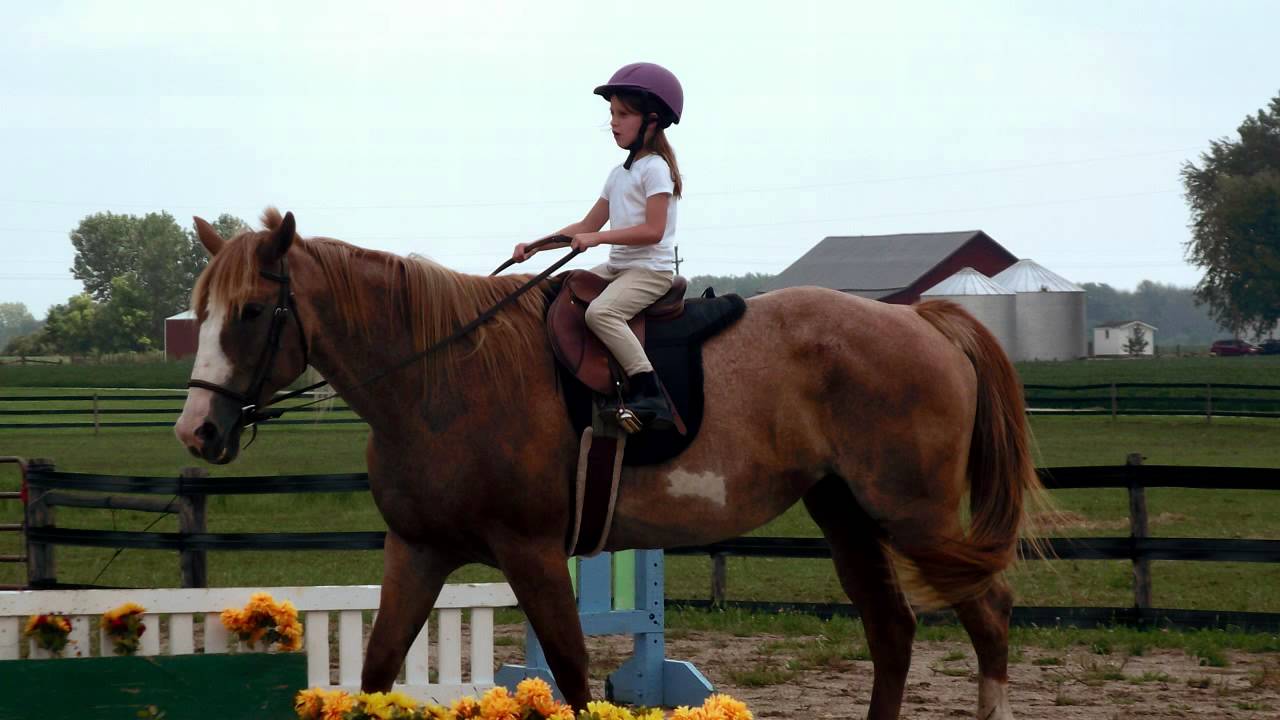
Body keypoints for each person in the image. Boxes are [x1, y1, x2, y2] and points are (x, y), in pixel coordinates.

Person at [512, 62, 684, 430]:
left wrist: (598, 239)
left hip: (650, 271)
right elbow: (587, 226)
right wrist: (536, 246)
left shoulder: (656, 169)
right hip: (620, 267)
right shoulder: (618, 175)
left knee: (600, 313)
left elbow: (653, 231)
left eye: (623, 114)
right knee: (561, 290)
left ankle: (647, 388)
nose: (614, 122)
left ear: (652, 121)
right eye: (612, 114)